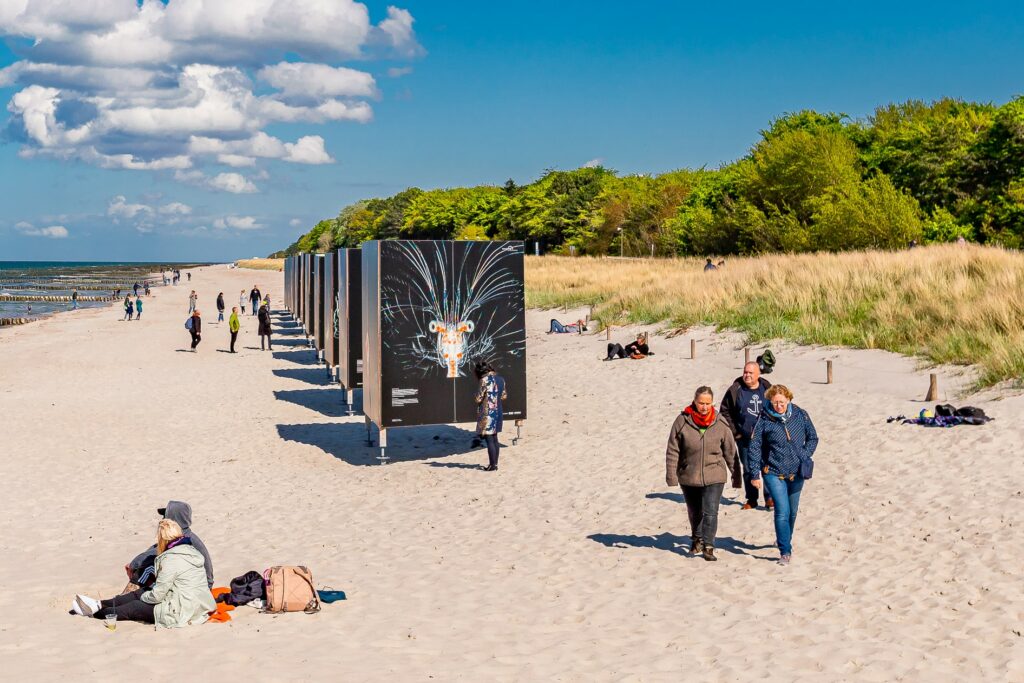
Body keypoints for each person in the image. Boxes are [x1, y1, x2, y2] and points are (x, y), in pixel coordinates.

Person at [71, 518, 216, 628]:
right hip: (196, 604)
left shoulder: (170, 559)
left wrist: (144, 597)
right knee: (141, 592)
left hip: (182, 611)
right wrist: (144, 594)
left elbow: (158, 595)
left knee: (135, 606)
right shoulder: (191, 551)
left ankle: (95, 613)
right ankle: (99, 604)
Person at [665, 386, 740, 561]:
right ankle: (697, 539)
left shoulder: (720, 423)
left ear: (712, 403)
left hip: (715, 474)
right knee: (695, 511)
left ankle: (708, 546)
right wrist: (671, 475)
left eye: (708, 403)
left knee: (711, 511)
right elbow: (673, 450)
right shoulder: (682, 421)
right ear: (695, 401)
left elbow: (730, 451)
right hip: (689, 475)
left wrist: (736, 476)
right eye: (701, 403)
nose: (704, 407)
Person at [749, 384, 819, 566]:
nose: (779, 406)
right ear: (770, 401)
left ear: (788, 399)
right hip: (773, 472)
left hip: (797, 472)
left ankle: (785, 537)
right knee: (782, 511)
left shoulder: (800, 414)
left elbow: (813, 437)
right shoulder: (764, 419)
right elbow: (755, 446)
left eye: (782, 402)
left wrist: (805, 454)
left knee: (792, 512)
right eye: (775, 403)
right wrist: (754, 474)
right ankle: (785, 551)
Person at [719, 362, 773, 510]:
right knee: (749, 468)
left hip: (766, 437)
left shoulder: (767, 389)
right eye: (745, 372)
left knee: (767, 466)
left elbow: (777, 407)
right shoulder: (735, 390)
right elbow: (724, 411)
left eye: (750, 373)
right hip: (744, 438)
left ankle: (770, 498)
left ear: (758, 374)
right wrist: (736, 432)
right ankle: (752, 499)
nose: (747, 375)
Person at [125, 500, 214, 590]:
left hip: (198, 587)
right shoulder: (185, 536)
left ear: (174, 519)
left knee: (144, 570)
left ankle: (132, 595)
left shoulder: (184, 539)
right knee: (149, 567)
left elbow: (154, 552)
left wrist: (133, 565)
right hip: (195, 584)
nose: (162, 519)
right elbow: (156, 548)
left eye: (165, 516)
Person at [474, 361, 507, 471]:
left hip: (487, 414)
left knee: (489, 440)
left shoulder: (484, 380)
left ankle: (492, 465)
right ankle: (495, 464)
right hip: (498, 412)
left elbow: (478, 398)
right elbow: (504, 396)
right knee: (495, 439)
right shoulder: (501, 379)